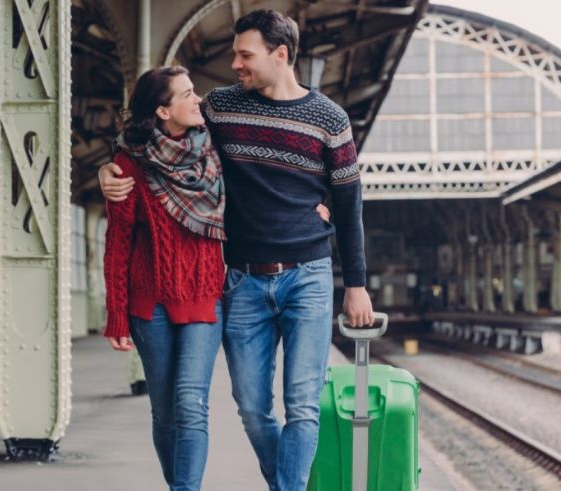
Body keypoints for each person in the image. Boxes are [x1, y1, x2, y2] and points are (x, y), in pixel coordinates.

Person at [100, 10, 375, 491]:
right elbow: (154, 128)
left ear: (280, 55)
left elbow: (349, 206)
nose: (235, 65)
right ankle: (283, 478)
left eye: (245, 55)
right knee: (251, 409)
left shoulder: (331, 119)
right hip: (241, 279)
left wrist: (356, 285)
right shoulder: (222, 107)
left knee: (303, 404)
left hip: (308, 274)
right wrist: (110, 167)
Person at [102, 66, 226, 491]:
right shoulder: (129, 164)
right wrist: (116, 314)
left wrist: (317, 203)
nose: (198, 100)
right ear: (161, 109)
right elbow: (118, 243)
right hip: (149, 304)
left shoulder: (215, 150)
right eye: (187, 94)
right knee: (165, 412)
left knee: (191, 404)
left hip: (204, 296)